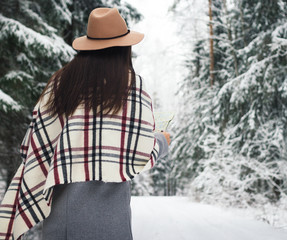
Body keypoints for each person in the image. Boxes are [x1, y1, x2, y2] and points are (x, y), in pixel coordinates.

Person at [0, 7, 170, 240]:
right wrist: (163, 139)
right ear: (124, 49)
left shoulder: (61, 85)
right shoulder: (132, 89)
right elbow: (142, 156)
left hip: (62, 221)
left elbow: (33, 147)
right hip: (112, 223)